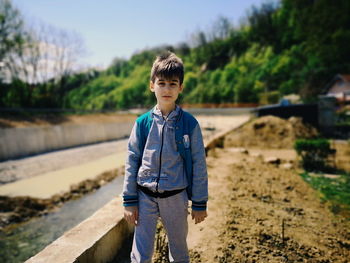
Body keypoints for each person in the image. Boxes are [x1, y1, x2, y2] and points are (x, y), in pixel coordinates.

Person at [122, 51, 208, 263]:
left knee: (178, 251)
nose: (167, 89)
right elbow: (132, 160)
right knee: (140, 254)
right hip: (145, 196)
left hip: (176, 198)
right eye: (161, 83)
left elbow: (199, 164)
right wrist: (129, 200)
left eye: (172, 84)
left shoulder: (189, 124)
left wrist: (199, 202)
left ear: (181, 88)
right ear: (152, 85)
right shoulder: (143, 123)